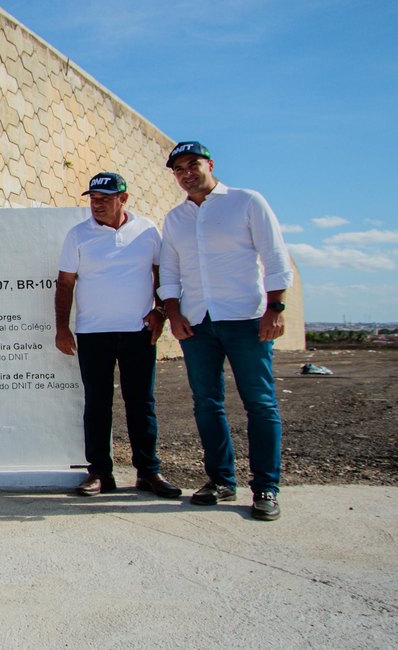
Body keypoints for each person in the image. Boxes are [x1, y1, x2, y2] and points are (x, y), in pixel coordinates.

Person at [158, 141, 294, 521]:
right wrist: (173, 311)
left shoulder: (247, 202)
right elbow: (169, 270)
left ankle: (266, 486)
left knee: (260, 403)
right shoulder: (175, 218)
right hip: (197, 323)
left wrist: (275, 308)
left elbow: (275, 256)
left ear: (210, 164)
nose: (186, 173)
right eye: (178, 169)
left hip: (247, 319)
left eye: (192, 164)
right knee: (206, 403)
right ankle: (221, 480)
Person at [55, 172, 182, 499]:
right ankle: (99, 472)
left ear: (123, 199)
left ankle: (148, 471)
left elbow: (161, 274)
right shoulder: (78, 235)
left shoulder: (147, 230)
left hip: (138, 332)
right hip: (92, 332)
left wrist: (161, 312)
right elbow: (65, 283)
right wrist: (61, 327)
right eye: (93, 199)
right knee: (97, 404)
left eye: (105, 199)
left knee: (141, 402)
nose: (97, 205)